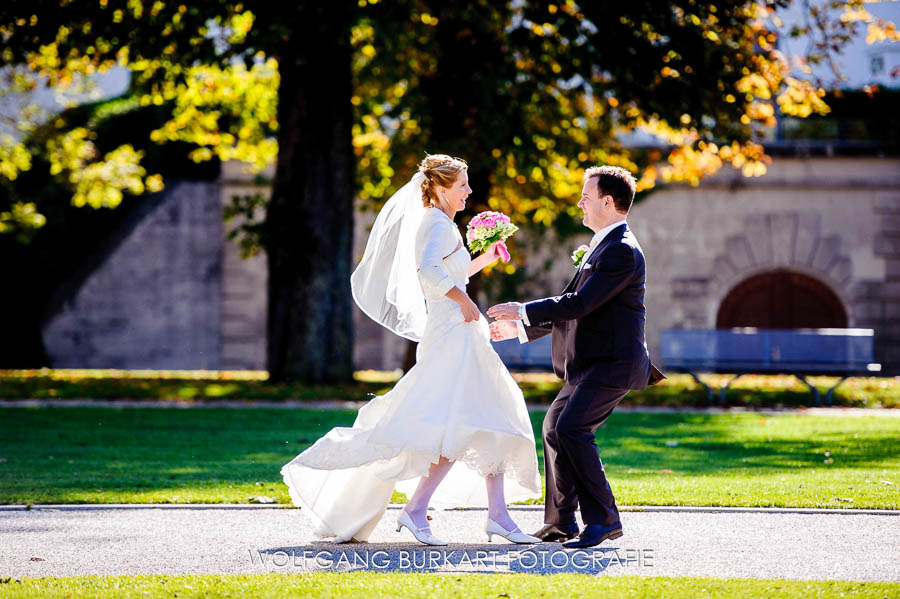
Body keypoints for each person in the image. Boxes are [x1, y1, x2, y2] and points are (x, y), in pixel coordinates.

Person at [281, 154, 541, 545]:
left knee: (491, 415)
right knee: (467, 419)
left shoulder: (444, 224)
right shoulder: (434, 223)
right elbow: (428, 273)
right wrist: (463, 300)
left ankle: (494, 515)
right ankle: (423, 510)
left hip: (462, 332)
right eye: (462, 186)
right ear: (439, 187)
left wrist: (484, 259)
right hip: (452, 332)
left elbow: (449, 271)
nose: (469, 191)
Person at [487, 165, 666, 549]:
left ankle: (604, 521)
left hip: (612, 364)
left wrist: (522, 309)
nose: (580, 203)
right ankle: (561, 523)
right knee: (555, 427)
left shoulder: (620, 250)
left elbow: (580, 303)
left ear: (607, 201)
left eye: (586, 196)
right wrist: (521, 328)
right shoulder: (603, 245)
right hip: (590, 365)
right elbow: (579, 309)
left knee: (571, 429)